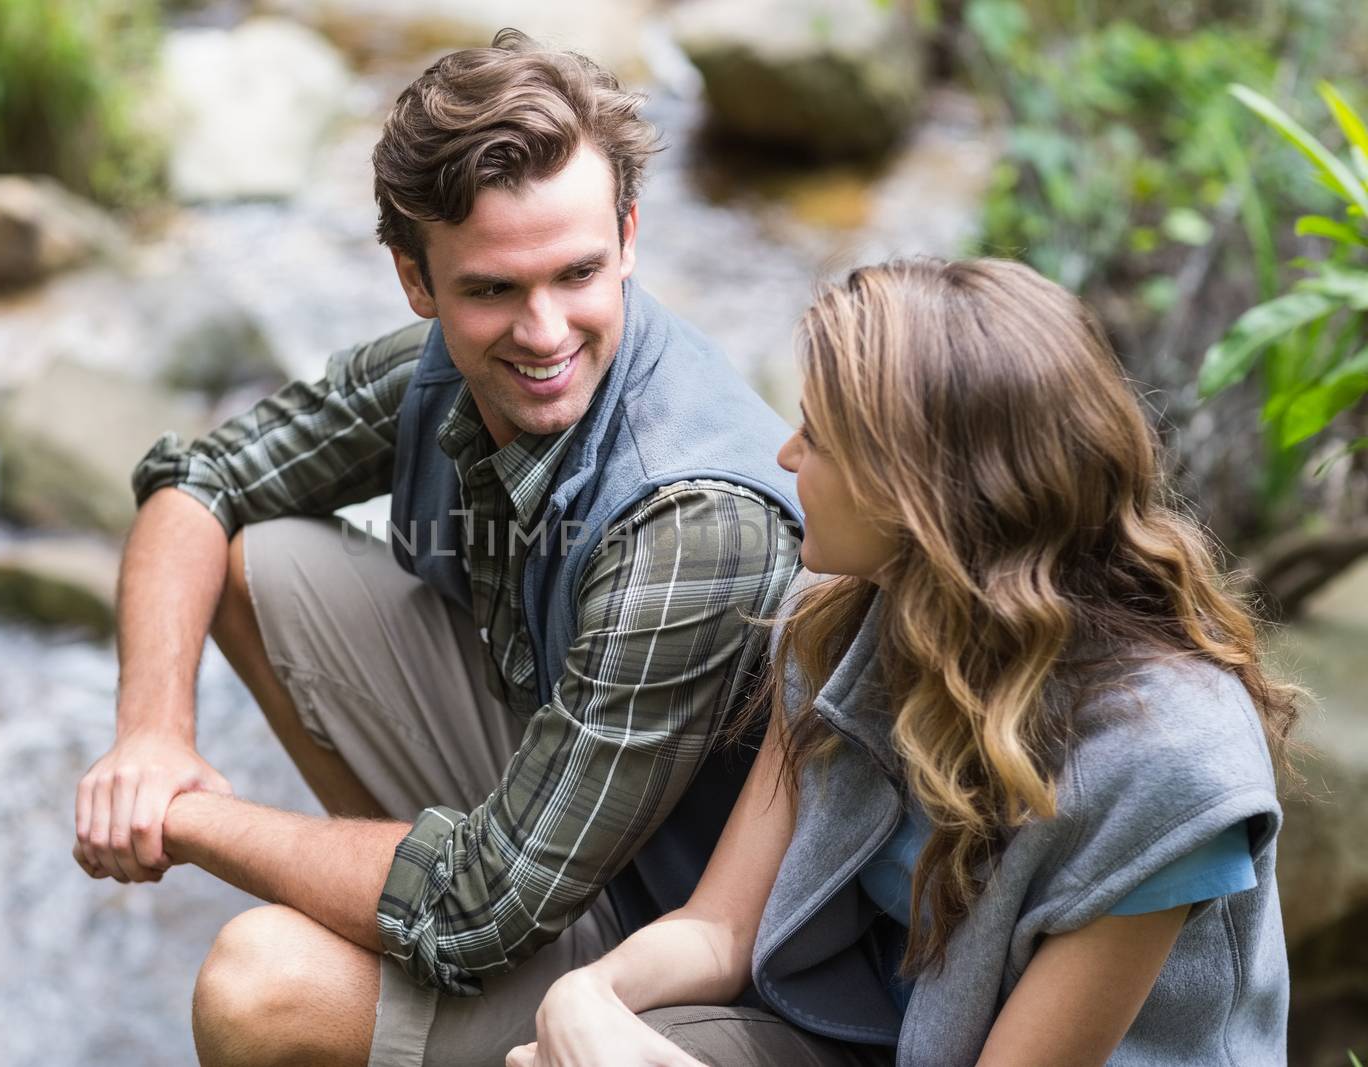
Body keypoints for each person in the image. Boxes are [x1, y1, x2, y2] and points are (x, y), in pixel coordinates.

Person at [69, 29, 805, 1067]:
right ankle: (406, 965)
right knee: (250, 559)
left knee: (260, 986)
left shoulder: (695, 524)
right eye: (492, 289)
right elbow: (202, 480)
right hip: (563, 841)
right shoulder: (442, 366)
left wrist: (185, 821)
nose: (545, 333)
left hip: (712, 979)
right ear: (417, 280)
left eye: (579, 273)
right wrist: (152, 733)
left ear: (630, 235)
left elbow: (485, 902)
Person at [509, 257, 1300, 1067]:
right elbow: (723, 927)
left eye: (816, 435)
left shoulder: (1167, 770)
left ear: (915, 492)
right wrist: (586, 998)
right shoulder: (844, 618)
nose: (783, 455)